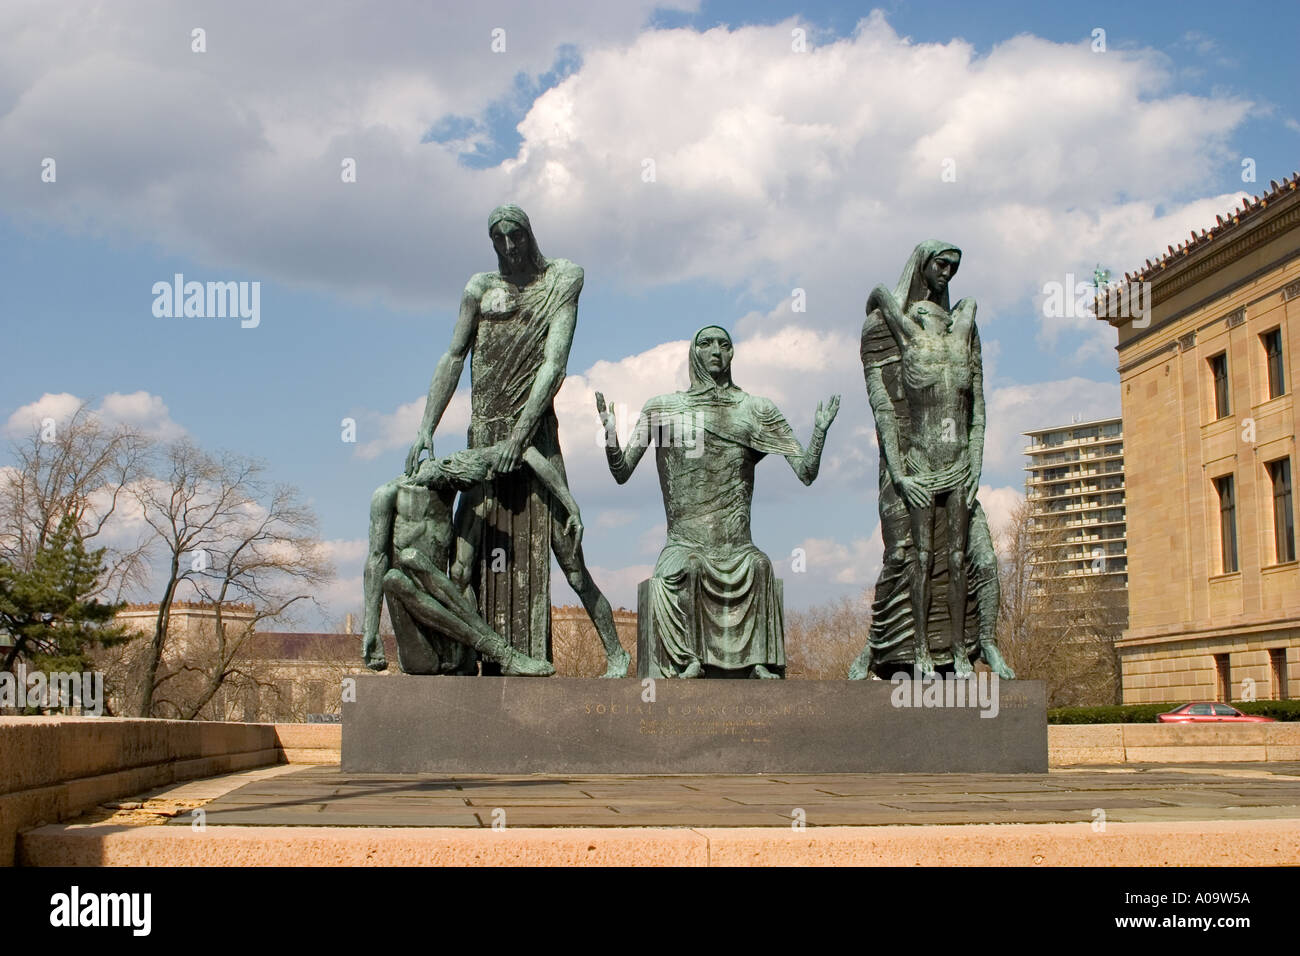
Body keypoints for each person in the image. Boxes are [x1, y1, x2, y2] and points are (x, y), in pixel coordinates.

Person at [404, 204, 629, 677]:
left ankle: (617, 653)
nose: (509, 247)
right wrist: (426, 425)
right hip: (483, 437)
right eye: (499, 239)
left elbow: (554, 364)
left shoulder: (563, 279)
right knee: (461, 564)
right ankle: (462, 660)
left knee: (571, 562)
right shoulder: (479, 288)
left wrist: (521, 433)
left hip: (534, 436)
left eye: (516, 236)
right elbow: (452, 356)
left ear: (530, 234)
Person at [597, 325, 839, 678]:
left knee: (759, 566)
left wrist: (819, 431)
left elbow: (805, 472)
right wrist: (609, 433)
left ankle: (758, 664)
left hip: (737, 547)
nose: (716, 351)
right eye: (706, 343)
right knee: (683, 570)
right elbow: (621, 472)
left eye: (724, 344)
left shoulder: (755, 410)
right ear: (694, 352)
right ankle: (688, 660)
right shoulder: (665, 409)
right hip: (686, 543)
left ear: (732, 353)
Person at [849, 241, 1014, 680]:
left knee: (981, 558)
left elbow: (978, 404)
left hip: (959, 466)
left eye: (954, 267)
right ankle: (881, 646)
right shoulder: (883, 329)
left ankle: (983, 645)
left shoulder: (963, 331)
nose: (948, 273)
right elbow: (883, 406)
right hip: (906, 464)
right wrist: (900, 475)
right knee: (905, 555)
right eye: (941, 264)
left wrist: (976, 464)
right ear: (922, 265)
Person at [361, 441, 583, 677]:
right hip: (416, 629)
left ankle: (501, 653)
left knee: (423, 565)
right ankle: (504, 654)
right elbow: (376, 560)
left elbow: (526, 450)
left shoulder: (456, 471)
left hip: (449, 610)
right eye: (456, 485)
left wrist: (571, 507)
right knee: (399, 572)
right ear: (447, 467)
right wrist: (370, 628)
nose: (453, 492)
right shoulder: (387, 495)